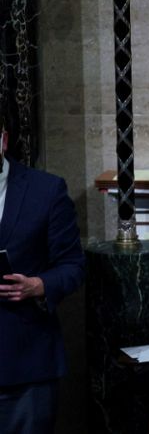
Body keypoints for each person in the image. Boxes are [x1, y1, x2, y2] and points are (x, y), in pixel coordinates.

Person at [0, 128, 85, 433]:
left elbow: (73, 266)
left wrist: (38, 285)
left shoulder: (45, 191)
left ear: (3, 140)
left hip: (24, 369)